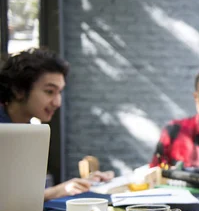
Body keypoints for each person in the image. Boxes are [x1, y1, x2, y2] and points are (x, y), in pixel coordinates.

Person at [0, 48, 114, 201]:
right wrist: (57, 191)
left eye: (59, 92)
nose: (57, 102)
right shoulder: (8, 132)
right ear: (19, 90)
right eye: (49, 92)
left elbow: (22, 194)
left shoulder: (26, 131)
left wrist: (86, 183)